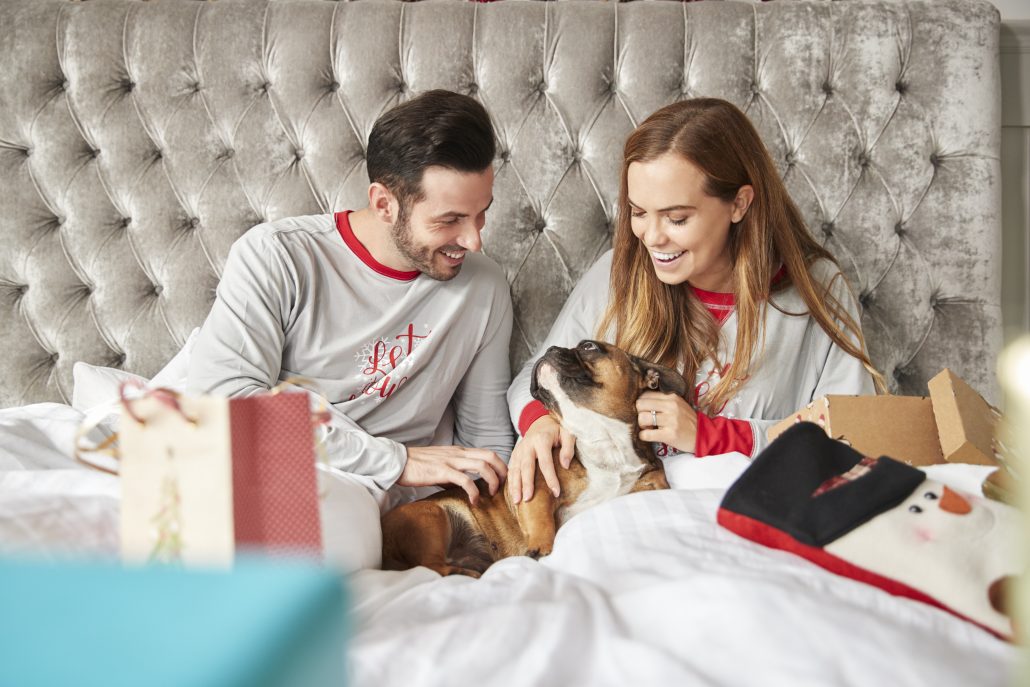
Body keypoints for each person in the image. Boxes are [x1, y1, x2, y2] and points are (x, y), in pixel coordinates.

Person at [187, 90, 514, 570]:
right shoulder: (278, 255)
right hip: (268, 458)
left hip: (359, 493)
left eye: (481, 212)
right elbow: (224, 399)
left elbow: (487, 442)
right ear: (384, 204)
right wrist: (395, 460)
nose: (473, 239)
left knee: (314, 558)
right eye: (450, 220)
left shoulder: (483, 288)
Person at [506, 97, 883, 504]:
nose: (651, 237)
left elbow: (854, 434)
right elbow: (536, 374)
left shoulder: (815, 290)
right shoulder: (619, 271)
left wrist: (712, 436)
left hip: (751, 514)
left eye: (677, 218)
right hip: (626, 514)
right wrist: (541, 422)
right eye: (638, 212)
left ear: (739, 204)